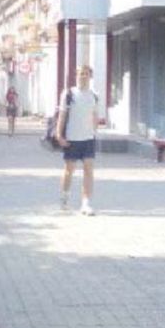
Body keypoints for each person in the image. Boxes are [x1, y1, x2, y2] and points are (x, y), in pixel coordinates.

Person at [55, 64, 101, 215]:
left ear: (90, 76)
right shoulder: (69, 94)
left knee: (89, 170)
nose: (83, 76)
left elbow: (95, 115)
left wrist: (94, 131)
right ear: (76, 75)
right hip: (72, 138)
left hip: (88, 138)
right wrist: (59, 134)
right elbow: (62, 115)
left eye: (86, 74)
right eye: (81, 73)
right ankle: (64, 198)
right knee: (69, 170)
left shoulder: (94, 95)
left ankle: (86, 204)